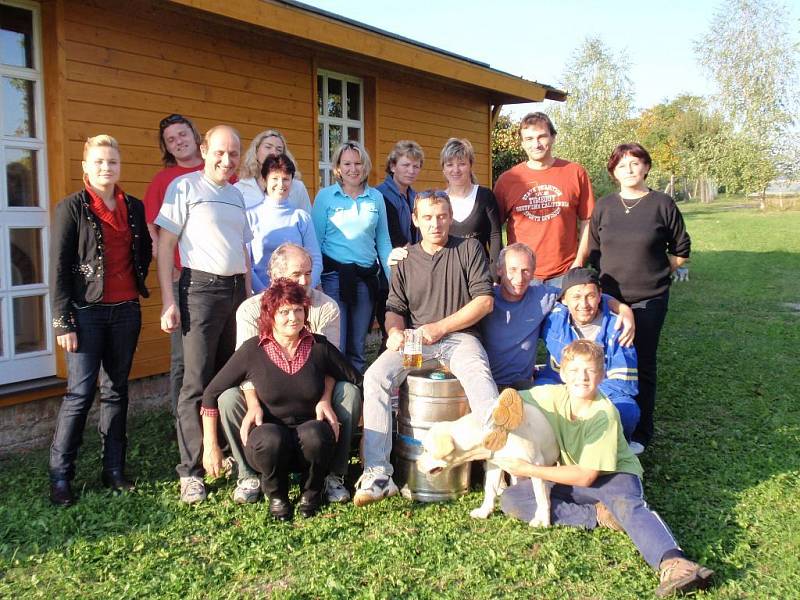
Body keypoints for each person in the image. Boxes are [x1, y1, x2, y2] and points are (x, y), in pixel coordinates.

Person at [496, 340, 713, 598]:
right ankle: (597, 515)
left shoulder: (604, 413)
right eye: (574, 371)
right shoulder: (552, 395)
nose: (582, 377)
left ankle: (675, 563)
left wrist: (529, 468)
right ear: (562, 374)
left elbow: (587, 475)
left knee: (629, 507)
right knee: (513, 498)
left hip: (614, 475)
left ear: (602, 374)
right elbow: (511, 402)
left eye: (589, 370)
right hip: (575, 475)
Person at [355, 190, 522, 507]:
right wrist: (393, 331)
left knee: (480, 380)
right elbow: (394, 307)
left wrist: (441, 327)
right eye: (428, 217)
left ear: (451, 218)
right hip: (416, 343)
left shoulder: (469, 249)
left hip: (460, 338)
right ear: (416, 220)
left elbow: (485, 302)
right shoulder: (405, 259)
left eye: (443, 216)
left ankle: (502, 466)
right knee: (375, 376)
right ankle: (379, 473)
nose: (436, 223)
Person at [201, 279, 361, 520]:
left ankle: (312, 492)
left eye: (298, 310)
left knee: (316, 433)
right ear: (270, 315)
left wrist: (367, 430)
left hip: (311, 444)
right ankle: (277, 496)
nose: (292, 318)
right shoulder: (252, 350)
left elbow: (356, 379)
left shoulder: (319, 346)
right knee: (270, 437)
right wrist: (211, 446)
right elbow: (211, 394)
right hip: (269, 445)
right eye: (284, 312)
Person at [48, 135, 152, 506]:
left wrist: (136, 278)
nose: (106, 167)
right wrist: (62, 321)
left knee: (116, 391)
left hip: (125, 310)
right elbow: (59, 266)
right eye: (99, 162)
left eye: (112, 161)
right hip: (85, 313)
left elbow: (145, 249)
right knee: (79, 393)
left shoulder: (134, 207)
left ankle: (113, 470)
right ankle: (61, 475)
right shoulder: (71, 208)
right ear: (85, 167)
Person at [155, 125, 253, 504]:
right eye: (219, 152)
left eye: (233, 154)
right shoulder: (185, 187)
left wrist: (246, 297)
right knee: (194, 382)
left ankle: (224, 454)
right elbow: (165, 248)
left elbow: (241, 251)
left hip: (232, 293)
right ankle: (190, 472)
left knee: (226, 376)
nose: (226, 160)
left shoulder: (237, 195)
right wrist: (168, 300)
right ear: (204, 149)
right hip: (198, 290)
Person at [588, 143, 690, 454]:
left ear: (645, 167)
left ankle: (641, 432)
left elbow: (681, 250)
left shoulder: (662, 204)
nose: (629, 170)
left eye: (634, 164)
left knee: (641, 363)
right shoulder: (604, 206)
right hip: (609, 299)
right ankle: (603, 422)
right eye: (621, 166)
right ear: (613, 172)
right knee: (603, 361)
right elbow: (593, 251)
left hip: (649, 300)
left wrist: (659, 270)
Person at [481, 244, 634, 391]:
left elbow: (580, 291)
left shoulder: (542, 297)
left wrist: (622, 308)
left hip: (521, 384)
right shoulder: (485, 299)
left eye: (525, 270)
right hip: (485, 383)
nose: (519, 278)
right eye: (512, 270)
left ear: (534, 272)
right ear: (499, 270)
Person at [311, 141, 392, 373]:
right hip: (333, 279)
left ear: (365, 166)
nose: (353, 169)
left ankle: (356, 395)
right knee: (336, 342)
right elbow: (315, 242)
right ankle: (335, 396)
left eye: (357, 163)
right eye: (347, 163)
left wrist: (394, 281)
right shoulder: (326, 197)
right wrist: (315, 283)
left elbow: (383, 242)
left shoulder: (375, 198)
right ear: (338, 167)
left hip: (366, 279)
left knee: (357, 346)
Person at [143, 114, 204, 416]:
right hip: (184, 278)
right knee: (183, 357)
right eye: (171, 139)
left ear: (195, 135)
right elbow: (153, 231)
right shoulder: (163, 181)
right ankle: (182, 421)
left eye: (183, 134)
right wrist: (171, 269)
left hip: (220, 278)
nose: (179, 141)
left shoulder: (217, 172)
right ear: (167, 147)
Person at [537, 267, 640, 441]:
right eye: (576, 297)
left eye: (590, 296)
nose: (583, 304)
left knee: (626, 411)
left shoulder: (618, 328)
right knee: (536, 396)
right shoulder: (554, 318)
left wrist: (583, 397)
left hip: (600, 390)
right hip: (559, 383)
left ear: (600, 296)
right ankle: (553, 447)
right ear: (564, 299)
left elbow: (623, 385)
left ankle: (615, 451)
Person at [493, 112, 594, 286]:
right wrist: (504, 268)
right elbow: (494, 229)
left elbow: (588, 221)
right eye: (529, 139)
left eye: (542, 137)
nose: (536, 144)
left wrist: (578, 262)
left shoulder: (575, 173)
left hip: (565, 272)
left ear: (553, 137)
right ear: (522, 143)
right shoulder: (508, 180)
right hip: (523, 277)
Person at [245, 154, 322, 291]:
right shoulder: (250, 216)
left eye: (286, 179)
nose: (280, 184)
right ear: (264, 180)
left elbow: (316, 260)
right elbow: (247, 263)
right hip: (261, 298)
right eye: (275, 178)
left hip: (297, 297)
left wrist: (304, 289)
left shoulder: (301, 218)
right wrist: (266, 294)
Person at [375, 140, 424, 351]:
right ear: (393, 166)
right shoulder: (381, 195)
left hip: (411, 268)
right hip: (388, 273)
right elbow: (392, 236)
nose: (411, 171)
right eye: (406, 165)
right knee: (392, 330)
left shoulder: (414, 196)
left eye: (416, 166)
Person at [440, 138, 502, 276]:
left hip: (480, 271)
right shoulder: (439, 200)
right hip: (448, 274)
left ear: (470, 165)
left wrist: (495, 274)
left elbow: (495, 235)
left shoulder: (485, 196)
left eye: (461, 164)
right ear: (443, 169)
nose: (455, 170)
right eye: (449, 164)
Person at [236, 128, 312, 213]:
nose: (273, 152)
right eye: (268, 147)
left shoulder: (297, 187)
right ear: (256, 151)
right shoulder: (240, 188)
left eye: (279, 149)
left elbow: (308, 219)